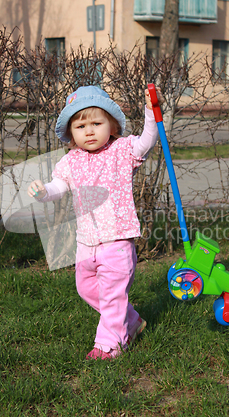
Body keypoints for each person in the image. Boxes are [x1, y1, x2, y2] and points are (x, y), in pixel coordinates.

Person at [27, 85, 161, 360]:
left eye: (96, 123)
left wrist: (151, 111)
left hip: (117, 240)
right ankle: (131, 320)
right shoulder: (70, 161)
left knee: (112, 295)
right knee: (86, 287)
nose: (89, 131)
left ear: (111, 127)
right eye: (80, 126)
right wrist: (43, 192)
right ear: (71, 134)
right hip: (86, 242)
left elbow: (147, 141)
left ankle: (109, 345)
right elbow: (58, 187)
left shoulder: (121, 151)